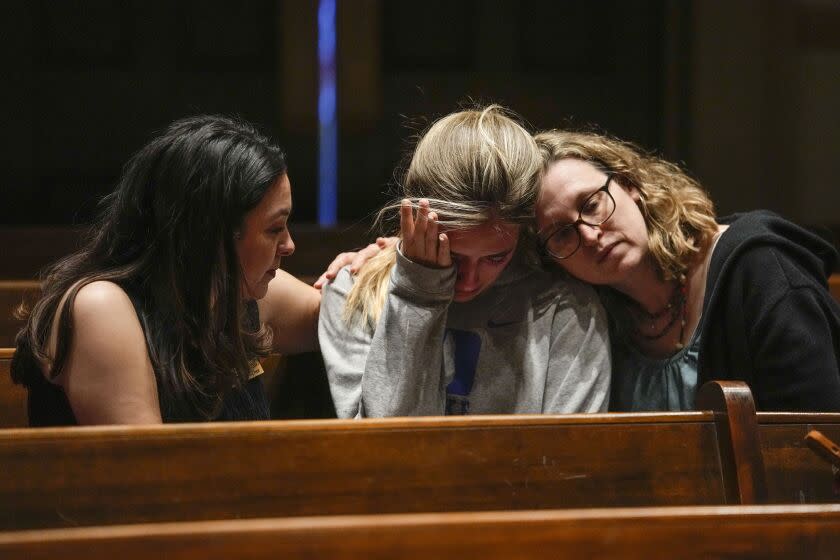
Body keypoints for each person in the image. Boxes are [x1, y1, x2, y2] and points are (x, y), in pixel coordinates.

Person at [11, 115, 321, 425]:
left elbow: (352, 319)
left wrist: (368, 262)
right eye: (274, 228)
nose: (289, 245)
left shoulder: (233, 289)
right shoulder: (102, 309)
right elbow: (149, 467)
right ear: (212, 234)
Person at [318, 106, 611, 418]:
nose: (469, 280)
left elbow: (569, 461)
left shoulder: (565, 309)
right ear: (412, 219)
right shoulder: (352, 292)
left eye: (496, 257)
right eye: (453, 257)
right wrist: (417, 291)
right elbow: (385, 449)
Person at [534, 129, 840, 411]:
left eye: (591, 205)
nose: (589, 235)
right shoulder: (594, 321)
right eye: (562, 234)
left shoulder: (760, 266)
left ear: (629, 185)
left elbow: (814, 440)